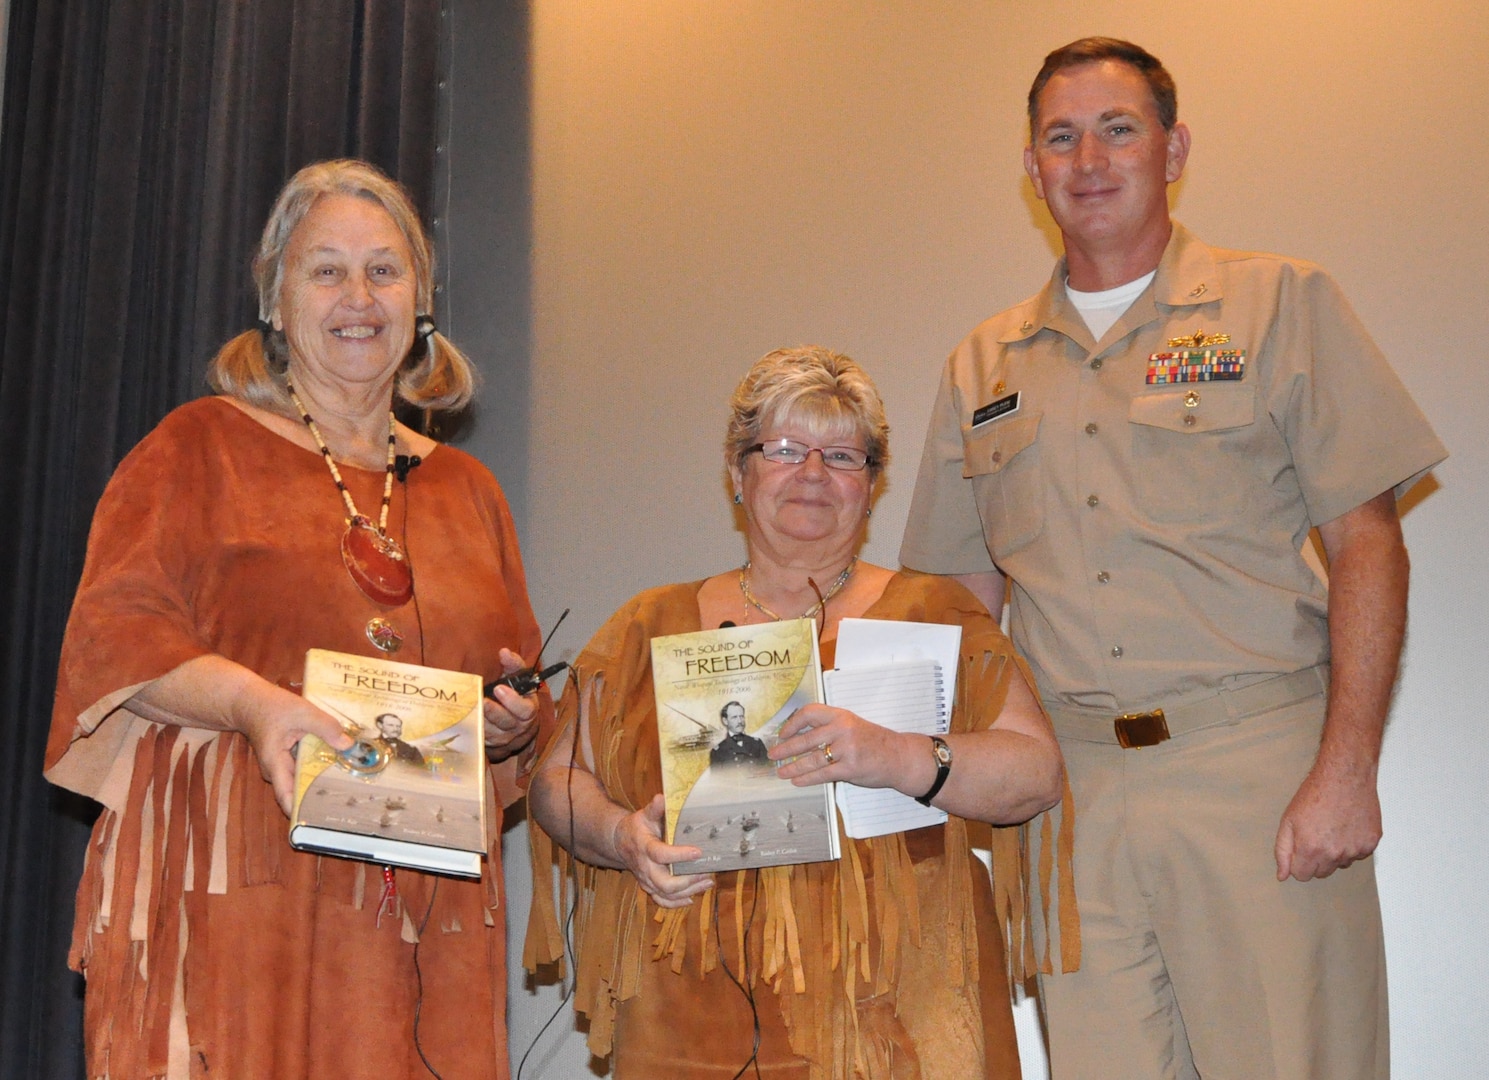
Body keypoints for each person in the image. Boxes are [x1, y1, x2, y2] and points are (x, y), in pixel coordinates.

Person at [900, 37, 1447, 1079]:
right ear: (1031, 167)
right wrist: (948, 783)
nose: (1089, 158)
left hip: (1255, 770)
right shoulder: (983, 363)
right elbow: (960, 604)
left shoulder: (1279, 302)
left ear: (1172, 147)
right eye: (1059, 137)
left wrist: (1346, 768)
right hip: (1069, 798)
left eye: (1118, 128)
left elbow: (1367, 541)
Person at [45, 159, 554, 1079]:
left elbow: (512, 689)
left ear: (420, 297)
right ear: (275, 301)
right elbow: (112, 637)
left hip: (423, 913)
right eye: (326, 269)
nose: (357, 296)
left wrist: (511, 724)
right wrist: (257, 705)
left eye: (384, 270)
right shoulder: (199, 446)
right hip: (244, 884)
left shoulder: (466, 490)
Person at [524, 346, 1078, 1080]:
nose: (812, 474)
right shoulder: (650, 623)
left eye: (842, 455)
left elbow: (1034, 772)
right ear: (736, 472)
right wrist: (622, 837)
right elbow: (555, 784)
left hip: (897, 1009)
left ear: (872, 485)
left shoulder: (931, 610)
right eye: (783, 449)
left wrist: (896, 754)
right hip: (686, 1001)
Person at [709, 700, 769, 767]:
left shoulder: (757, 744)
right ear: (725, 721)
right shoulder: (718, 752)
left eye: (741, 716)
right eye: (734, 717)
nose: (740, 721)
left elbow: (767, 770)